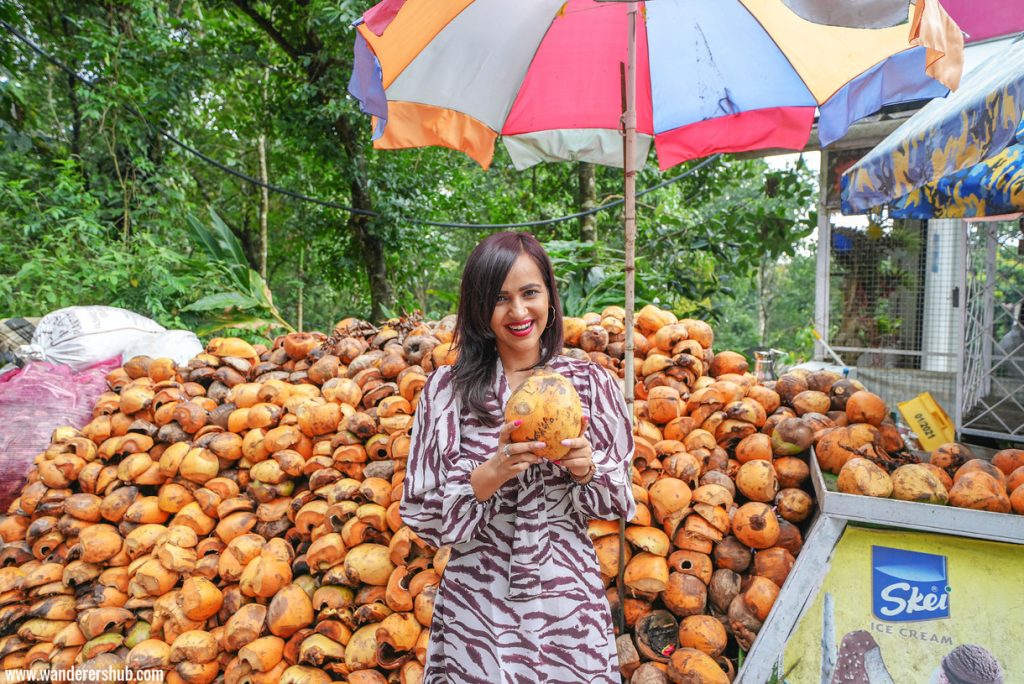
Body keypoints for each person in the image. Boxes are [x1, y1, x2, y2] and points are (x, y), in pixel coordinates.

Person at [401, 231, 637, 684]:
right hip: (479, 607)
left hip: (567, 604)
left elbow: (621, 500)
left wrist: (587, 469)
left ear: (549, 295)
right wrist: (487, 476)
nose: (518, 311)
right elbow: (420, 512)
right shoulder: (447, 392)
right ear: (478, 309)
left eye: (530, 293)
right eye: (500, 299)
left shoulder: (590, 384)